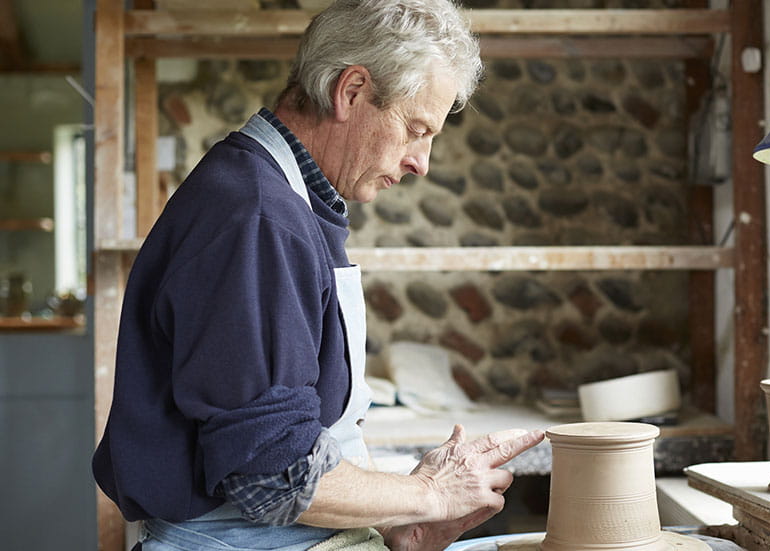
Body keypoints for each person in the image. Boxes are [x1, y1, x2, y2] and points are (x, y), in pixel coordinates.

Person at [91, 1, 545, 550]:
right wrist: (428, 493)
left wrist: (397, 517)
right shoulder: (256, 218)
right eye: (415, 128)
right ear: (350, 91)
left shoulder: (289, 199)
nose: (421, 162)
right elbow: (272, 475)